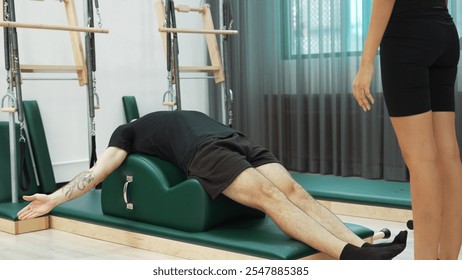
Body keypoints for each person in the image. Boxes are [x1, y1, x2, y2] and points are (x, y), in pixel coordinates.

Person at [17, 110, 407, 260]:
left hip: (236, 138)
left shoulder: (155, 117)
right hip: (203, 151)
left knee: (297, 192)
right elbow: (98, 172)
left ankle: (362, 245)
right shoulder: (126, 132)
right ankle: (349, 255)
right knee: (273, 198)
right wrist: (53, 197)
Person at [352, 0, 461, 259]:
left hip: (407, 35)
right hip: (444, 30)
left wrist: (366, 62)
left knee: (422, 161)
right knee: (449, 157)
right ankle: (446, 265)